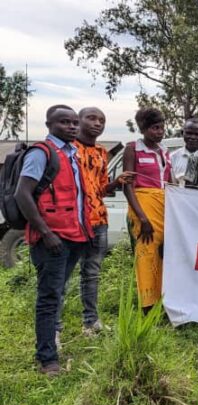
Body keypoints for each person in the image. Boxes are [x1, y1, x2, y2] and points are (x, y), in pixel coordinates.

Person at [16, 105, 94, 375]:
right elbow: (22, 194)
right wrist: (46, 233)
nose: (72, 127)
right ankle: (47, 359)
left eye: (74, 123)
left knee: (58, 292)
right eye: (64, 122)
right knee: (49, 297)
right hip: (52, 239)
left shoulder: (72, 154)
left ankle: (50, 346)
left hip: (74, 236)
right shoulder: (42, 153)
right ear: (49, 124)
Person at [70, 107, 134, 337]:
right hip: (72, 221)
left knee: (92, 272)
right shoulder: (67, 150)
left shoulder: (101, 152)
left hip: (98, 220)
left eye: (102, 120)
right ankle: (54, 328)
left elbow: (101, 189)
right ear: (78, 121)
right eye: (92, 118)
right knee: (62, 275)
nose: (97, 123)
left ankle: (91, 322)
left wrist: (116, 183)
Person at [123, 107, 172, 311]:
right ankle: (147, 306)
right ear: (143, 128)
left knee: (163, 255)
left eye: (161, 127)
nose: (159, 132)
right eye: (154, 128)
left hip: (164, 205)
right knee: (146, 253)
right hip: (143, 205)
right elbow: (127, 185)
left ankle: (163, 300)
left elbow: (170, 181)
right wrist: (142, 218)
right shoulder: (132, 148)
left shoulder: (165, 151)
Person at [171, 119, 198, 187]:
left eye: (197, 134)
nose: (193, 137)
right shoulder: (172, 157)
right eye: (189, 133)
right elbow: (171, 185)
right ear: (182, 133)